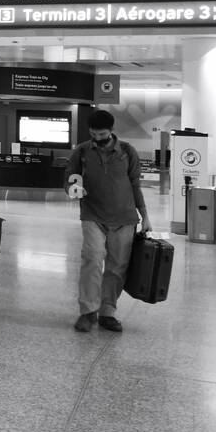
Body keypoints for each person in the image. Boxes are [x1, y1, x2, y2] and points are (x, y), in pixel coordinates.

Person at [64, 109, 151, 333]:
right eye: (94, 134)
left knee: (117, 267)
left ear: (111, 131)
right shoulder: (82, 151)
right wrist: (74, 189)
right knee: (92, 258)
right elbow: (69, 179)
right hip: (93, 215)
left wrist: (145, 216)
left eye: (102, 134)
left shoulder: (128, 152)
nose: (98, 138)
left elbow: (135, 185)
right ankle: (87, 311)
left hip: (124, 218)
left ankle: (107, 312)